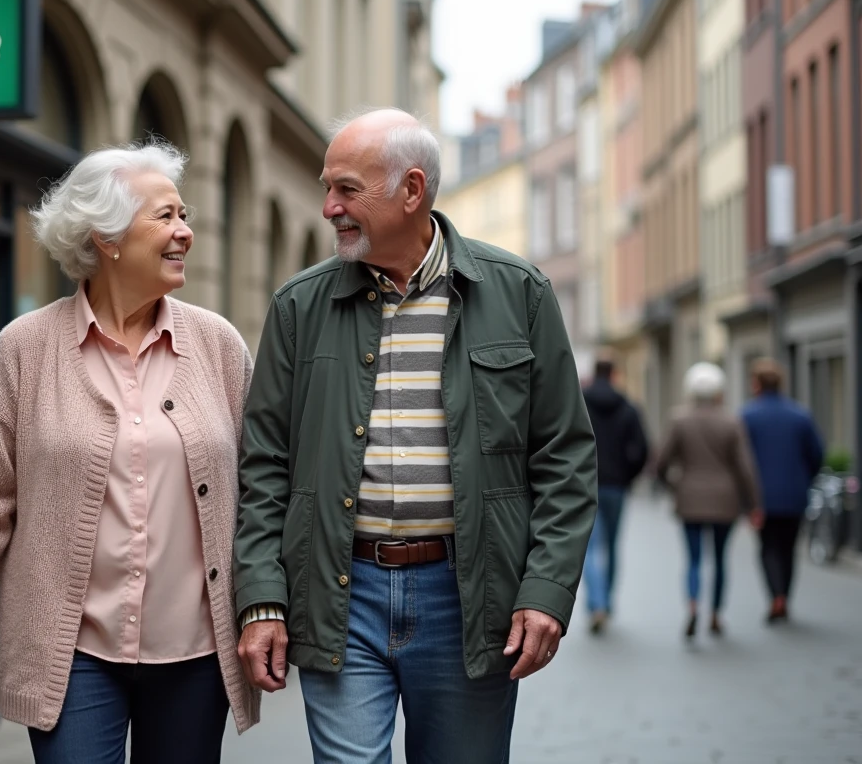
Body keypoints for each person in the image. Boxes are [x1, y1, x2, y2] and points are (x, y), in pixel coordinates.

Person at [232, 108, 597, 763]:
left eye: (347, 189)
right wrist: (261, 595)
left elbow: (565, 457)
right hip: (340, 593)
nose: (328, 208)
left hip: (472, 598)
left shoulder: (518, 293)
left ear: (411, 190)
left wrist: (546, 593)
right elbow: (263, 465)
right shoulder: (298, 307)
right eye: (327, 188)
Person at [0, 142, 259, 764]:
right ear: (106, 237)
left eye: (184, 215)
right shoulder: (25, 347)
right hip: (69, 655)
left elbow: (263, 492)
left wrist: (267, 605)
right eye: (165, 217)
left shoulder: (218, 346)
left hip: (195, 652)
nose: (185, 231)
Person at [656, 362, 761, 639]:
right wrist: (754, 503)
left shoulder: (679, 419)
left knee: (693, 559)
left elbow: (661, 461)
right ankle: (715, 613)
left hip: (690, 497)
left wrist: (673, 486)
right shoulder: (731, 421)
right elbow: (745, 466)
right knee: (720, 558)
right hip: (725, 500)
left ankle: (692, 605)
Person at [741, 358, 824, 623]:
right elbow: (817, 453)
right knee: (788, 547)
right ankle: (784, 596)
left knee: (768, 548)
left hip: (762, 497)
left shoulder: (747, 416)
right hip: (794, 494)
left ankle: (776, 595)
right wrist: (804, 479)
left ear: (756, 385)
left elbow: (741, 460)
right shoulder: (800, 415)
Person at [582, 357, 650, 633]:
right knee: (611, 546)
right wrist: (627, 476)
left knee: (588, 548)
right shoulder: (628, 406)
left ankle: (596, 603)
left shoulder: (580, 402)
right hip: (616, 487)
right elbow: (643, 449)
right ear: (614, 375)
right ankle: (607, 602)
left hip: (586, 485)